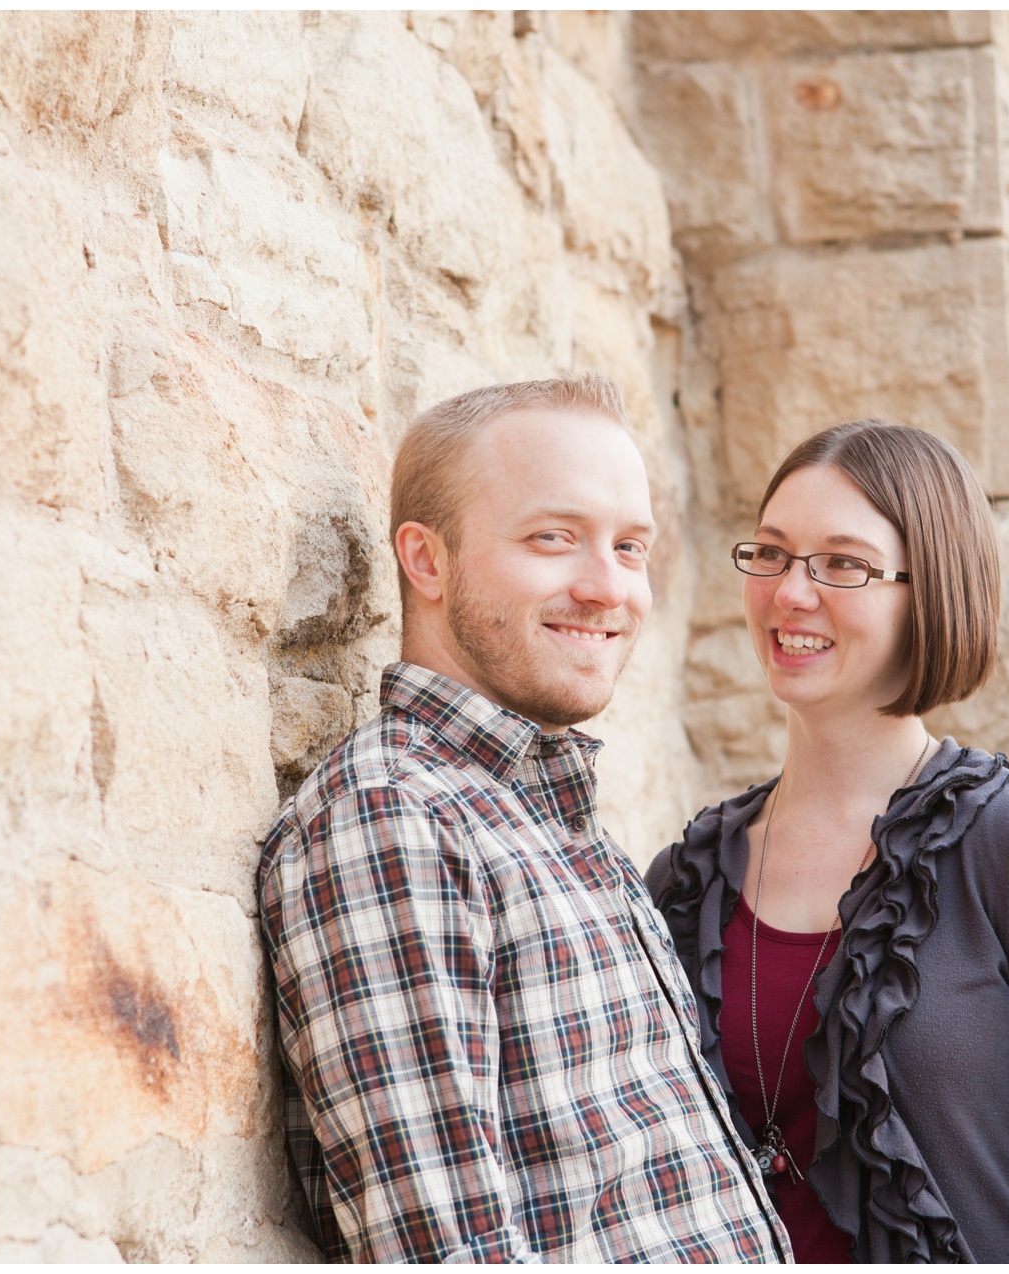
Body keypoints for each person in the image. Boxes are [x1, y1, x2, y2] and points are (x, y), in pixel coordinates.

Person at [257, 374, 790, 1263]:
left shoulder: (553, 818)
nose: (607, 587)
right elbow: (448, 1253)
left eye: (630, 547)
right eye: (554, 538)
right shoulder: (393, 822)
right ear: (426, 560)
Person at [646, 421, 1009, 1263]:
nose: (792, 592)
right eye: (773, 553)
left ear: (931, 589)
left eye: (843, 564)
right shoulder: (686, 879)